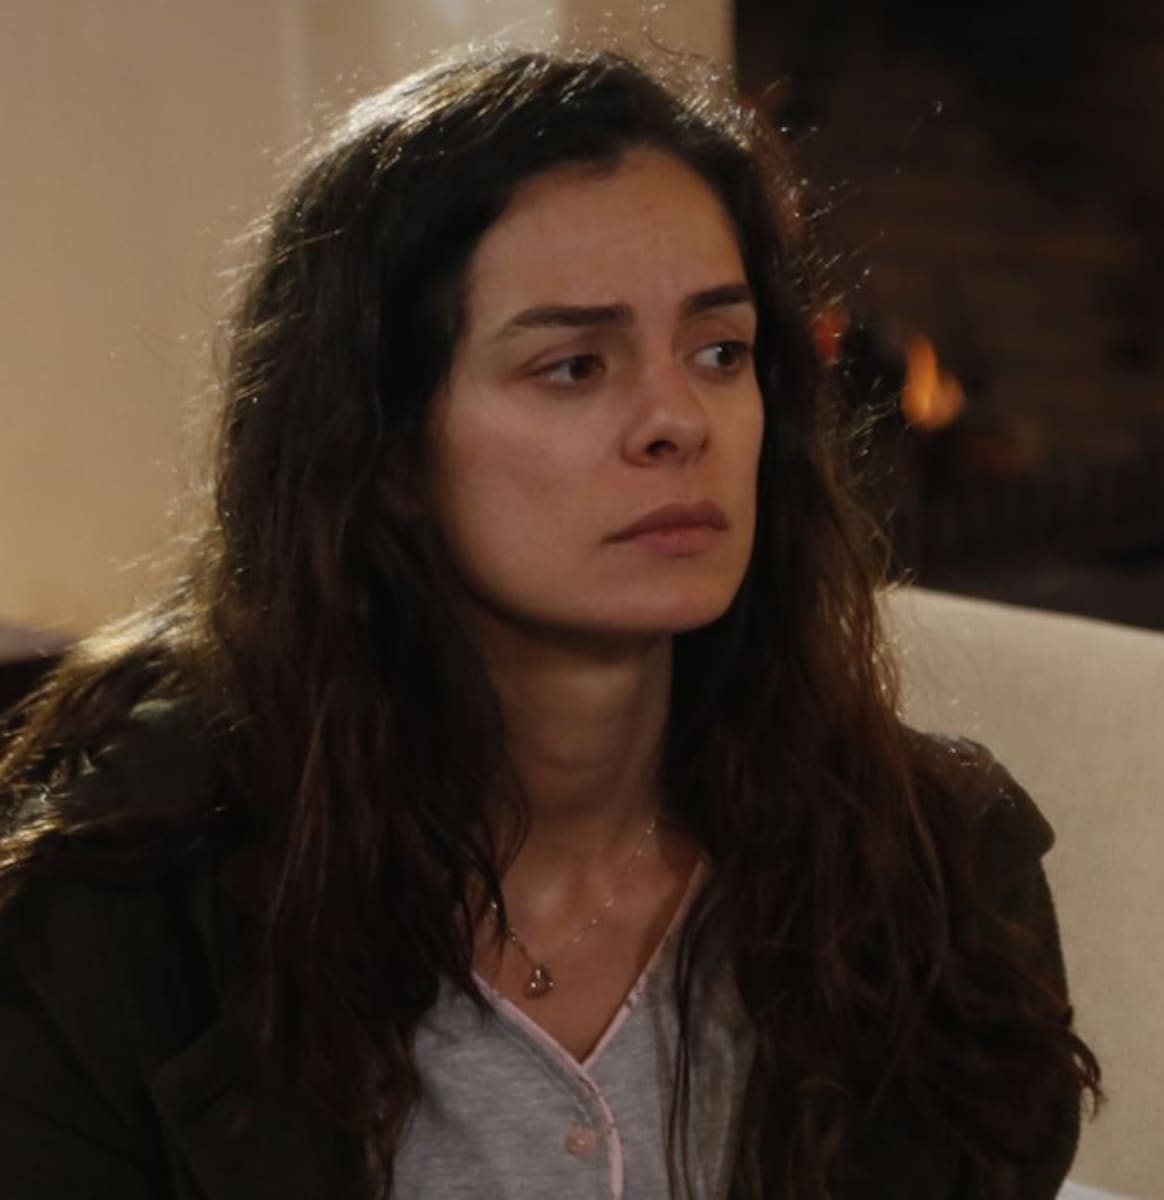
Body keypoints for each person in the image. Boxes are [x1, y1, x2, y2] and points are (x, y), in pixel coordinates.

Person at [0, 45, 1100, 1200]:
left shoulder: (933, 872)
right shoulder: (121, 908)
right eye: (575, 367)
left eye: (719, 352)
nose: (680, 419)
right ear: (384, 448)